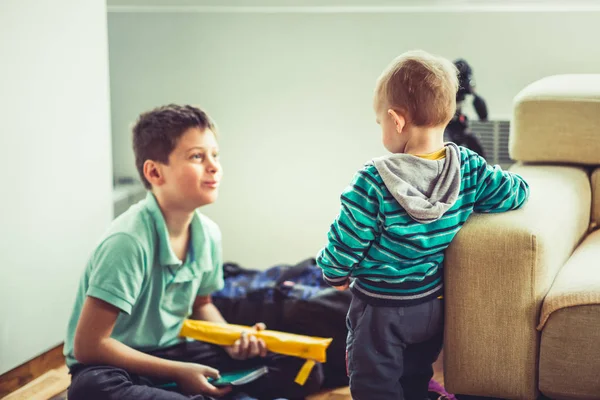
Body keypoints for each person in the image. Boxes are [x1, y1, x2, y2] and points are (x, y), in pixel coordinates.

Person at [64, 104, 324, 400]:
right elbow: (88, 346)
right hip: (116, 365)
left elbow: (202, 304)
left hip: (176, 348)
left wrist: (233, 341)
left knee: (302, 366)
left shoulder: (208, 234)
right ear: (154, 172)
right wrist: (176, 371)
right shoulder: (128, 240)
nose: (213, 166)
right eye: (197, 156)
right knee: (91, 390)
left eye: (215, 155)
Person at [316, 50, 529, 400]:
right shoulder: (470, 169)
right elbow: (516, 192)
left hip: (380, 310)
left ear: (396, 120)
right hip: (430, 306)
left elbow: (346, 241)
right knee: (415, 374)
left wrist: (333, 273)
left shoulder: (372, 181)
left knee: (374, 383)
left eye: (379, 122)